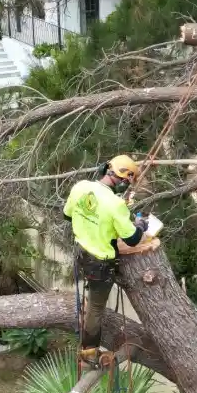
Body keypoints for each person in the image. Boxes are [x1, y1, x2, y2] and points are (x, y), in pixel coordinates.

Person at [64, 154, 149, 366]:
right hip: (100, 262)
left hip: (81, 251)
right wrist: (139, 224)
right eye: (127, 182)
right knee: (96, 308)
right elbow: (132, 239)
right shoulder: (115, 204)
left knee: (93, 300)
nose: (126, 186)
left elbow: (67, 215)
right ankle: (89, 352)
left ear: (105, 169)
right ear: (122, 180)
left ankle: (88, 345)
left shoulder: (80, 187)